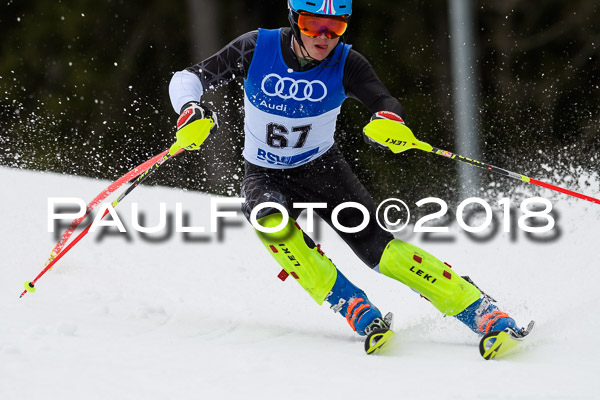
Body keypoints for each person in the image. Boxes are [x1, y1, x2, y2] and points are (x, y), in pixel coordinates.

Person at [168, 0, 520, 352]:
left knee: (382, 254)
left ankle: (479, 309)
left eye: (334, 28)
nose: (324, 38)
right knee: (268, 219)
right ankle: (351, 304)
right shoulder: (256, 47)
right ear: (294, 21)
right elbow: (188, 78)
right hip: (265, 174)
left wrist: (388, 122)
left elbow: (384, 101)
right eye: (312, 25)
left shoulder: (347, 62)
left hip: (323, 170)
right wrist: (190, 109)